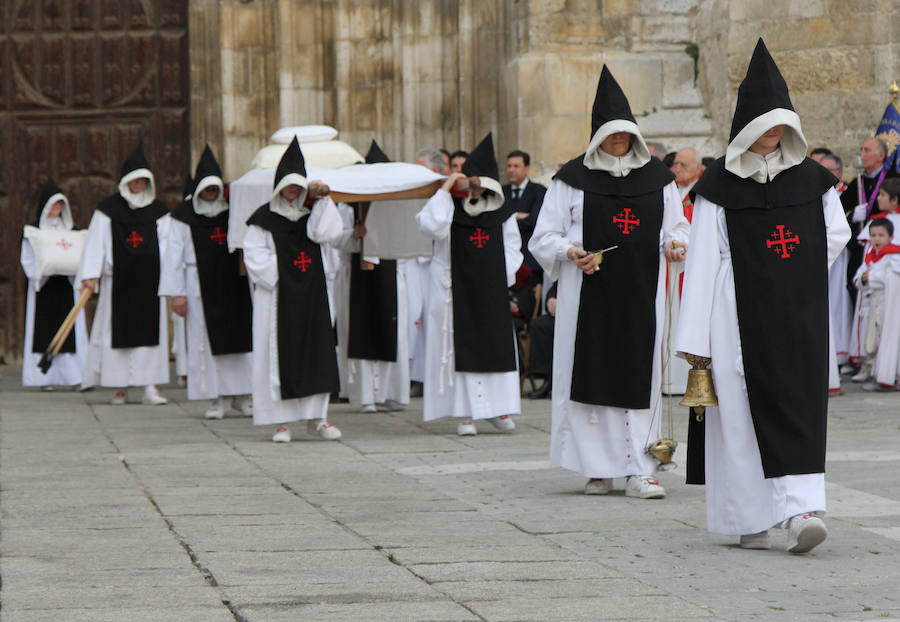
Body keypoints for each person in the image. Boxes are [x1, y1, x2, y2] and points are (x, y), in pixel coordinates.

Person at [676, 39, 851, 554]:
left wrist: (792, 273)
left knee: (798, 403)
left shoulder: (814, 181)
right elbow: (705, 258)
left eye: (781, 125)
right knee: (739, 412)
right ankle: (748, 515)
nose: (774, 135)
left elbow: (835, 235)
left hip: (797, 313)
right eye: (765, 126)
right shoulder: (718, 186)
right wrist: (695, 336)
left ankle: (801, 511)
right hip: (734, 315)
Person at [529, 65, 690, 499]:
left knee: (637, 374)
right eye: (611, 138)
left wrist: (676, 243)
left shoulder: (659, 180)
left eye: (625, 138)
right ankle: (596, 468)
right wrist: (569, 253)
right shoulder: (570, 180)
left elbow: (679, 228)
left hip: (642, 293)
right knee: (590, 373)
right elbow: (543, 236)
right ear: (598, 138)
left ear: (635, 137)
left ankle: (642, 468)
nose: (618, 145)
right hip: (587, 297)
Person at [416, 133, 522, 436]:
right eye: (471, 183)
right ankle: (465, 413)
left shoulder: (501, 212)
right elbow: (430, 226)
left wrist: (503, 275)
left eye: (480, 183)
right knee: (462, 349)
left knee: (496, 346)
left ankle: (497, 409)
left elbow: (513, 247)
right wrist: (448, 188)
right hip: (456, 290)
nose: (475, 188)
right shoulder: (450, 207)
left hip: (490, 289)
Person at [243, 137, 343, 443]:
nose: (292, 190)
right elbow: (254, 257)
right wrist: (286, 274)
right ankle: (281, 422)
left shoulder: (312, 213)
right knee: (277, 354)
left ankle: (317, 418)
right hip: (276, 298)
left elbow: (328, 233)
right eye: (287, 185)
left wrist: (323, 200)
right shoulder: (262, 218)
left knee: (316, 352)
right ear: (278, 186)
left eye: (297, 185)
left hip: (312, 294)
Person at [159, 145, 254, 419]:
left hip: (234, 286)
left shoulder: (233, 210)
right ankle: (217, 399)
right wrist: (176, 294)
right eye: (207, 190)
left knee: (241, 340)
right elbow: (173, 256)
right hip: (198, 285)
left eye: (215, 189)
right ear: (199, 189)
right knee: (206, 343)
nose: (211, 194)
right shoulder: (183, 216)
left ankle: (243, 395)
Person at [78, 143, 171, 404]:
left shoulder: (159, 211)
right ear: (126, 181)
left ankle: (149, 386)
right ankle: (120, 387)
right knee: (115, 333)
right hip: (117, 281)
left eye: (143, 180)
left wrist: (164, 270)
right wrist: (90, 273)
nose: (139, 184)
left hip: (149, 281)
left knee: (150, 336)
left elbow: (167, 243)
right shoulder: (108, 210)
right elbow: (96, 242)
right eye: (135, 180)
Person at [338, 140, 410, 413]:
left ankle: (393, 393)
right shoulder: (347, 206)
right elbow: (333, 238)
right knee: (361, 328)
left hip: (391, 273)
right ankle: (365, 394)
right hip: (357, 274)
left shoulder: (396, 206)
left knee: (394, 331)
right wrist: (354, 236)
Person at [21, 181, 88, 389]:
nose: (57, 208)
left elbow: (80, 255)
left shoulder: (73, 232)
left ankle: (74, 377)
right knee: (44, 329)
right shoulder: (33, 232)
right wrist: (41, 273)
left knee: (70, 331)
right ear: (46, 206)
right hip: (45, 286)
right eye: (54, 204)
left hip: (67, 285)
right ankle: (45, 378)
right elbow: (28, 260)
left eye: (60, 205)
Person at [842, 137, 899, 304]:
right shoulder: (856, 183)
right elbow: (840, 211)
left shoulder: (893, 180)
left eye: (867, 150)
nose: (862, 154)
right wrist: (853, 215)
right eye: (861, 150)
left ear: (881, 155)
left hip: (883, 252)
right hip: (859, 250)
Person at [849, 217, 900, 389]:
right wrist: (864, 279)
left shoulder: (894, 256)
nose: (876, 239)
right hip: (872, 306)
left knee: (889, 340)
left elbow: (891, 278)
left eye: (881, 235)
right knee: (872, 340)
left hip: (889, 307)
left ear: (891, 237)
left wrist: (870, 277)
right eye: (873, 235)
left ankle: (891, 375)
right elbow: (857, 279)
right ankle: (874, 372)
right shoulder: (871, 257)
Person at [503, 150, 547, 285]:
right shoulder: (501, 192)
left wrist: (509, 220)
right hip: (507, 259)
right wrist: (517, 216)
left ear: (527, 168)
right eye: (509, 166)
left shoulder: (538, 190)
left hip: (531, 259)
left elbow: (534, 220)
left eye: (516, 166)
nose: (511, 170)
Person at [526, 281, 556, 399]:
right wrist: (551, 300)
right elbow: (555, 287)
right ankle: (547, 378)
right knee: (538, 325)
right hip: (560, 315)